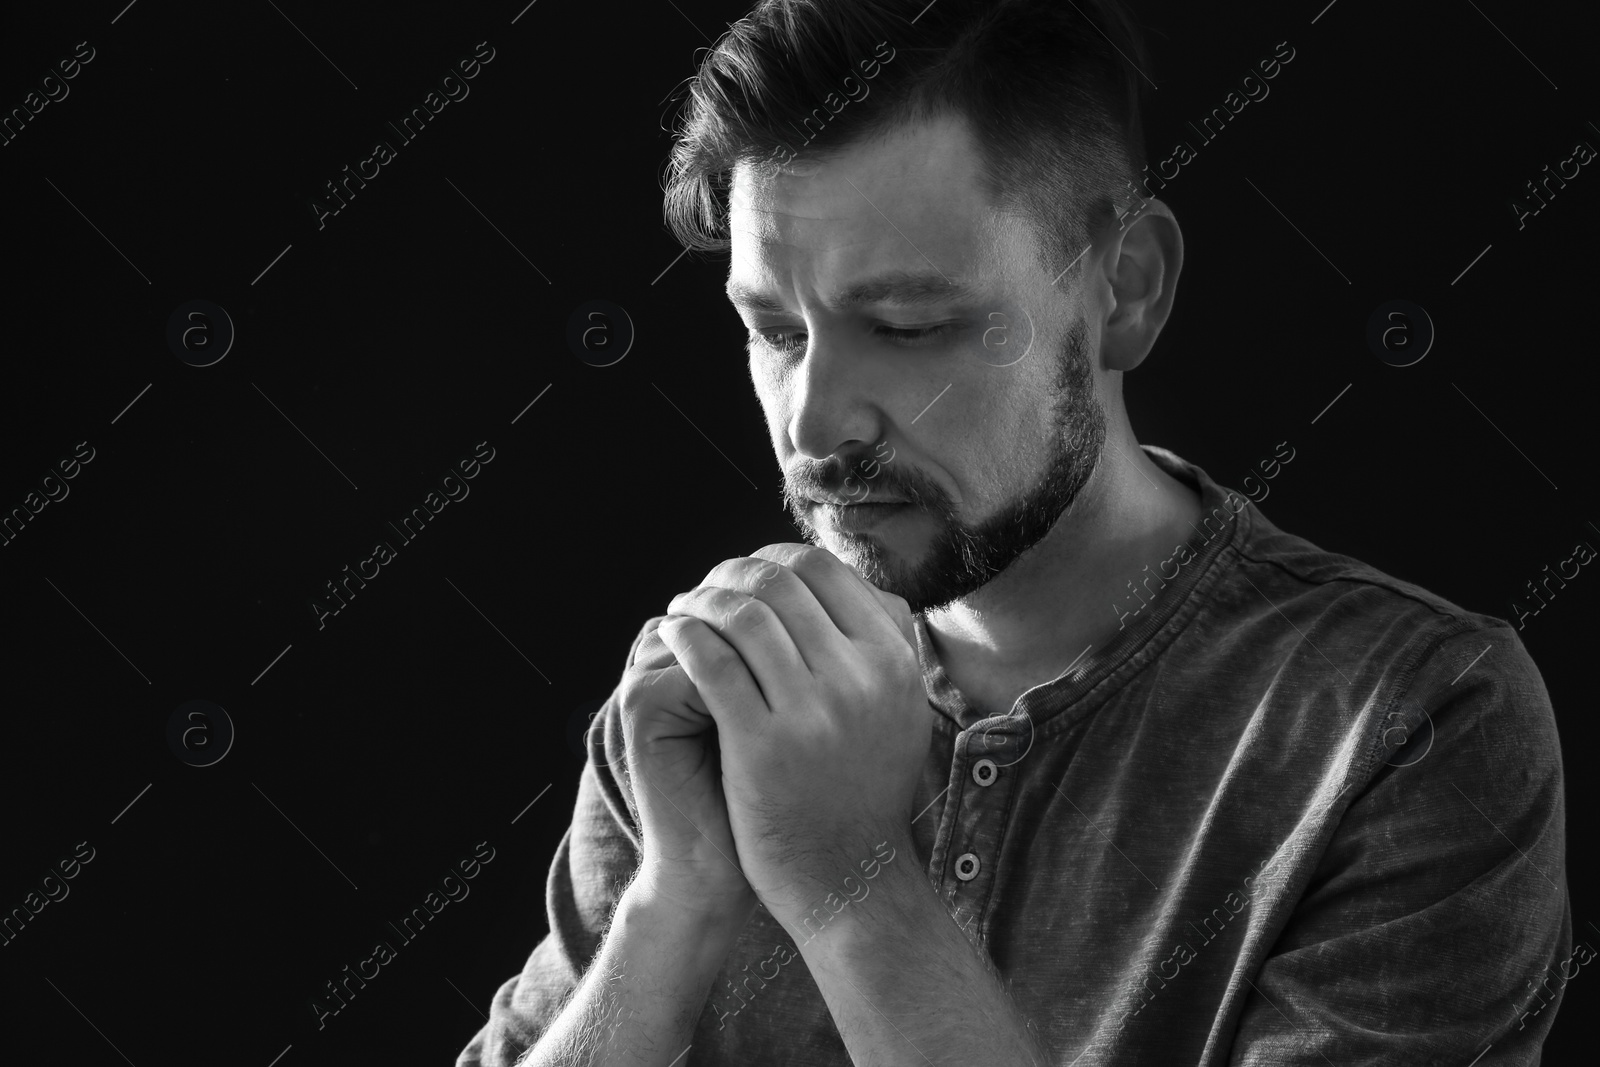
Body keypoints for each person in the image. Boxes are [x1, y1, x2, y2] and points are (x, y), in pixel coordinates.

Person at [458, 1, 1570, 1063]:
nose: (814, 419)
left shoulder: (1412, 719)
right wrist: (673, 902)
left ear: (1123, 291)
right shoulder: (713, 690)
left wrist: (849, 879)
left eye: (910, 325)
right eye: (775, 328)